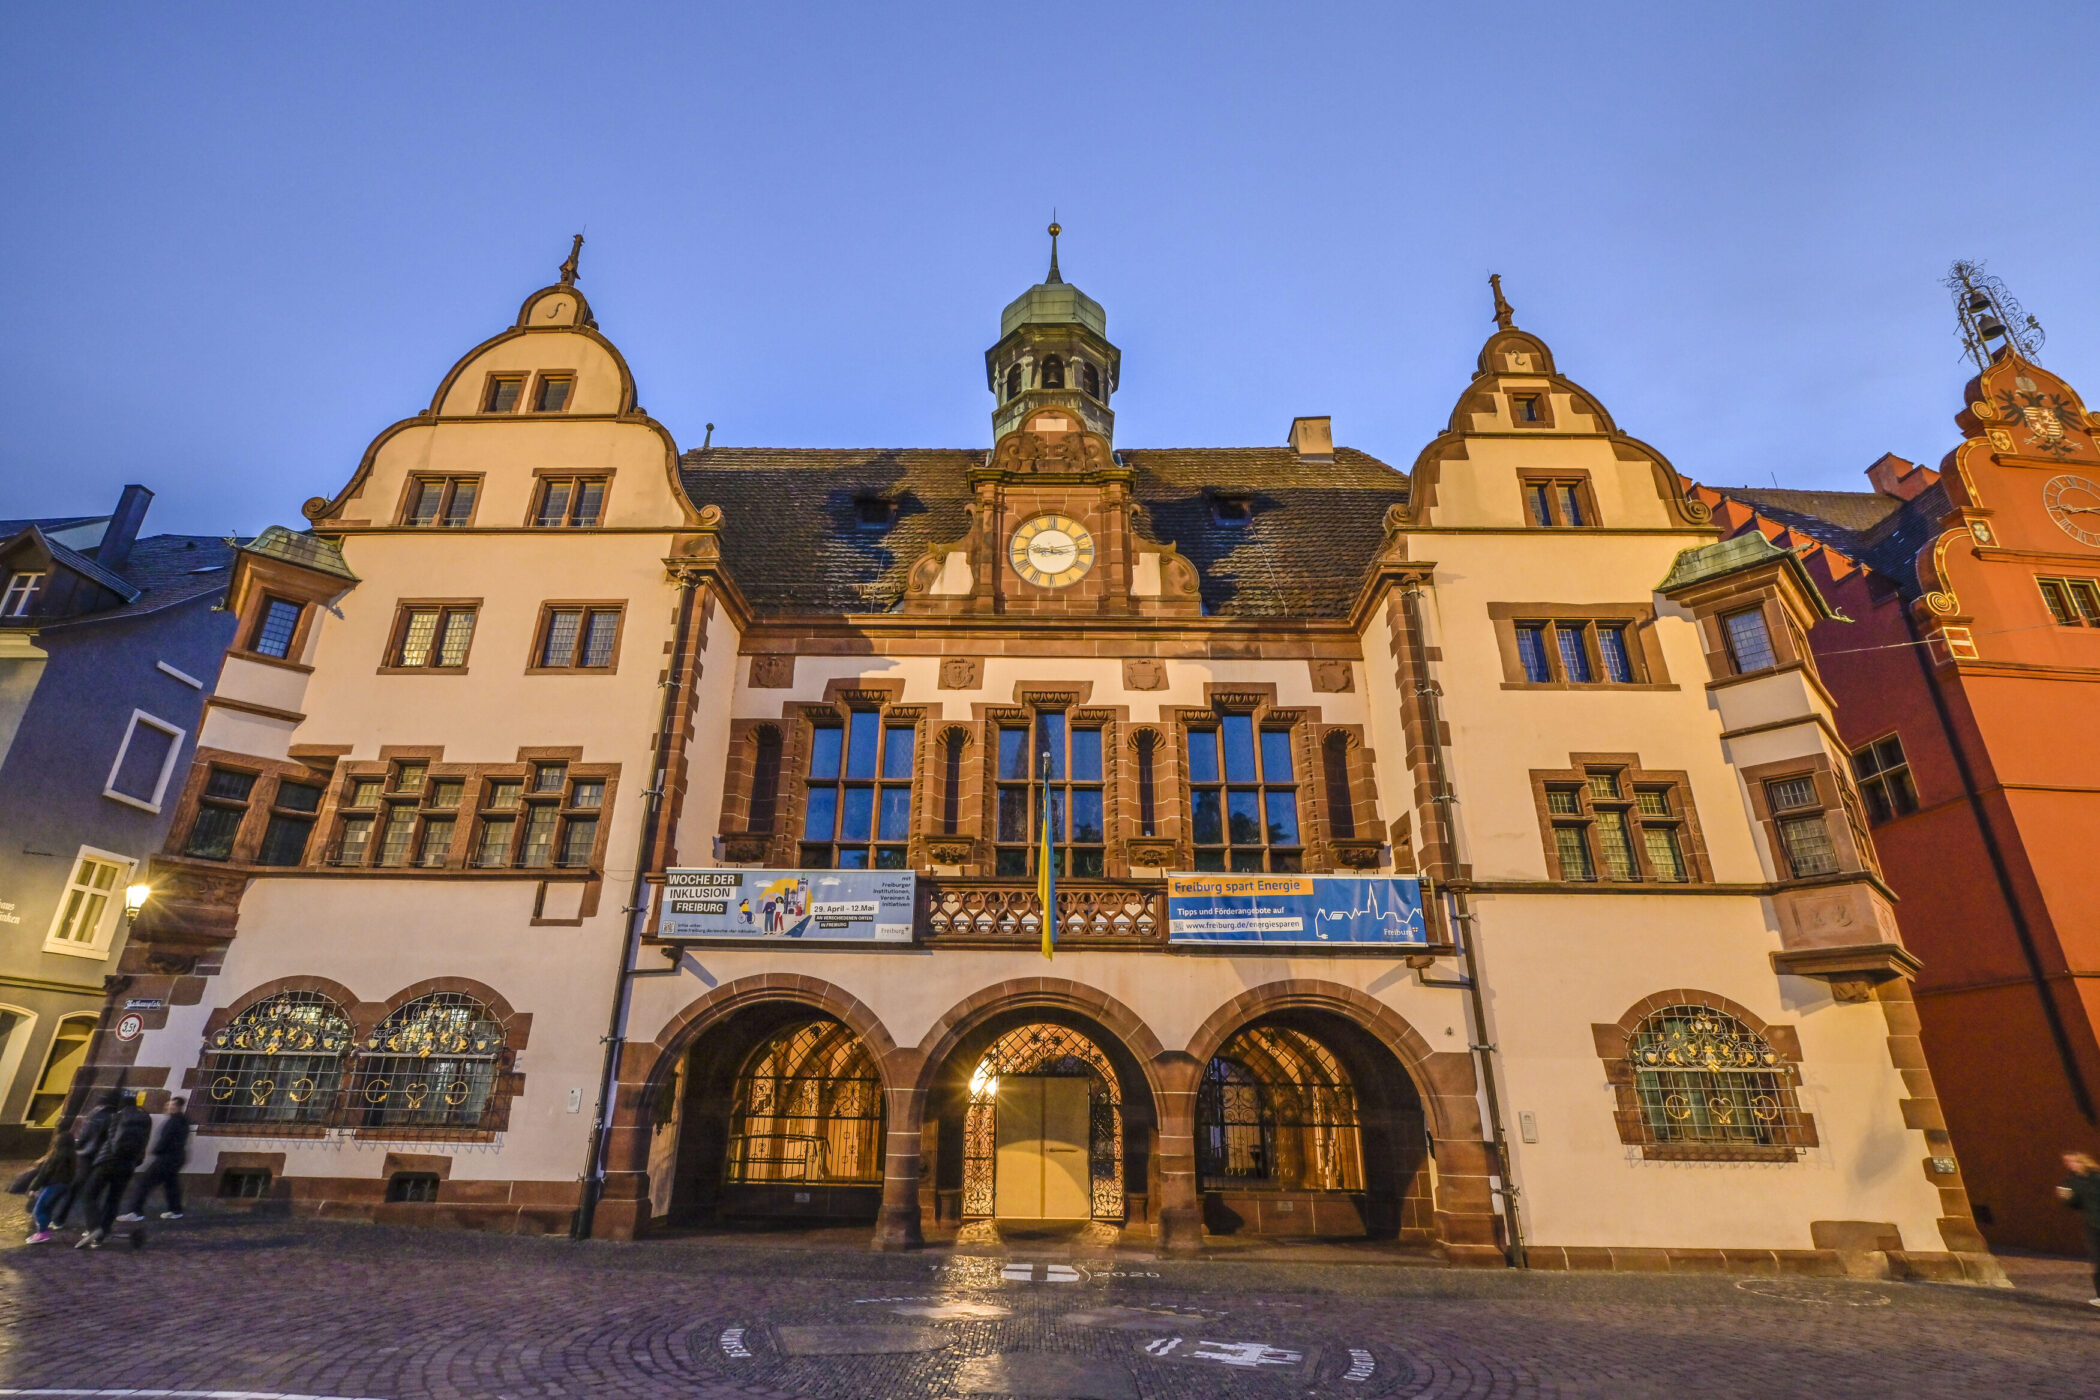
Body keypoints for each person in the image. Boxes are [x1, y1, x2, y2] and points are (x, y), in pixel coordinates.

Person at [75, 1091, 151, 1248]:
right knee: (113, 1199)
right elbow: (144, 1143)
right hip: (128, 1165)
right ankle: (100, 1237)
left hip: (107, 1162)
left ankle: (94, 1228)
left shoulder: (114, 1117)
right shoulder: (146, 1120)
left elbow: (99, 1141)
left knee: (89, 1194)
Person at [117, 1095, 191, 1222]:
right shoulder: (182, 1120)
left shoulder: (174, 1121)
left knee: (144, 1183)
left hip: (167, 1157)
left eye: (171, 1105)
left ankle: (135, 1211)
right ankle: (176, 1210)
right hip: (176, 1157)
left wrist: (157, 1150)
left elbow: (166, 1139)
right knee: (171, 1184)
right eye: (168, 1105)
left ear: (178, 1107)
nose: (168, 1107)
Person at [2057, 1150, 2100, 1308]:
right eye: (2067, 1162)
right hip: (2092, 1224)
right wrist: (2067, 1198)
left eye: (2072, 1161)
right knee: (2097, 1260)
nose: (2070, 1165)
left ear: (2082, 1161)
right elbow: (2077, 1205)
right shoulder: (2072, 1180)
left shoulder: (2096, 1177)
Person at [21, 1131, 79, 1244]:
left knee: (39, 1210)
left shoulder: (55, 1156)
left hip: (53, 1185)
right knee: (48, 1208)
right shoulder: (72, 1156)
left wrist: (33, 1188)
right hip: (64, 1186)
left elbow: (44, 1174)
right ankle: (44, 1230)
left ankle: (42, 1233)